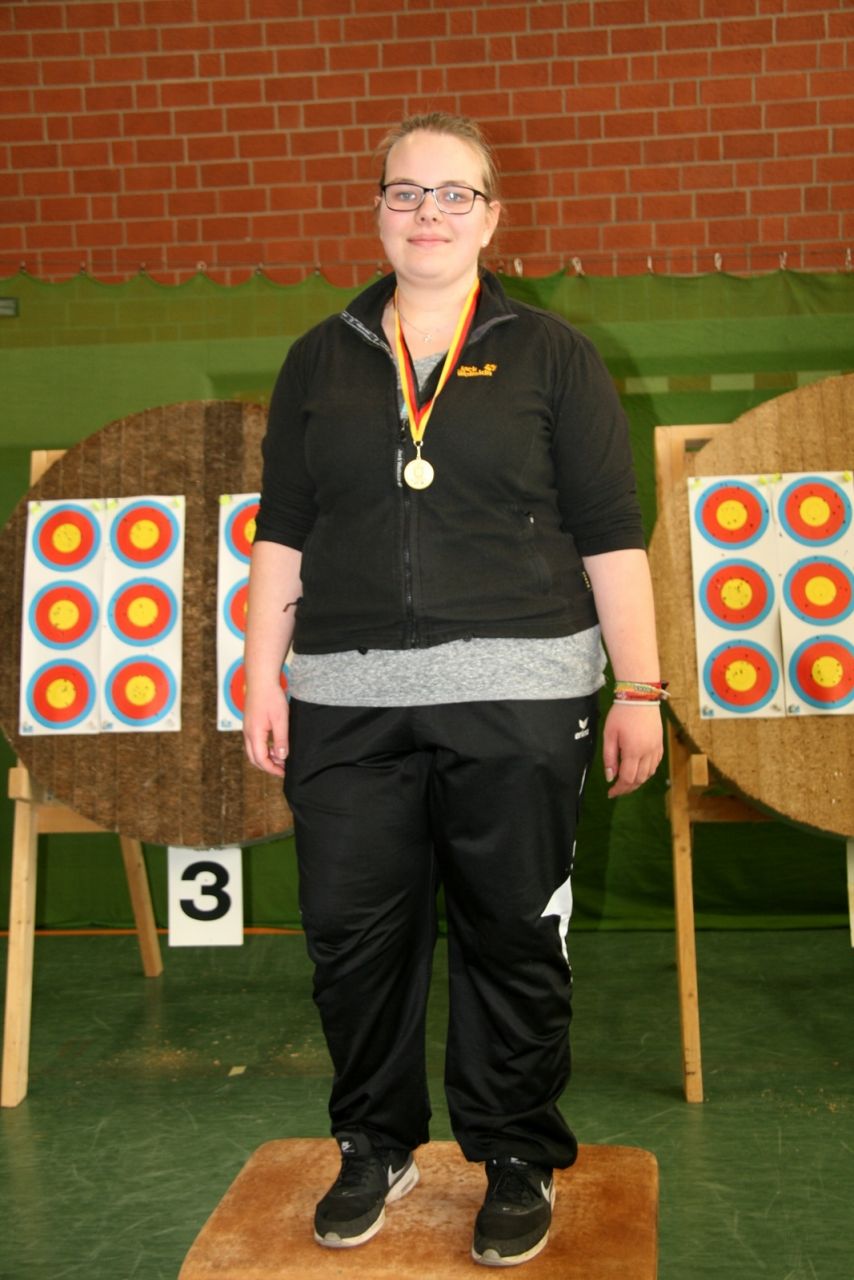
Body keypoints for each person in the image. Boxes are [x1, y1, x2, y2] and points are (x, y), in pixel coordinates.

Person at [243, 111, 664, 1269]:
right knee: (350, 936)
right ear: (376, 210)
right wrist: (259, 673)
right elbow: (283, 525)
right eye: (404, 192)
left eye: (452, 194)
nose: (426, 213)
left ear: (490, 217)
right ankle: (373, 1143)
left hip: (521, 692)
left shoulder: (553, 354)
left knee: (511, 933)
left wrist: (639, 685)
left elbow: (609, 530)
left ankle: (514, 1151)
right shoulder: (318, 357)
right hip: (343, 695)